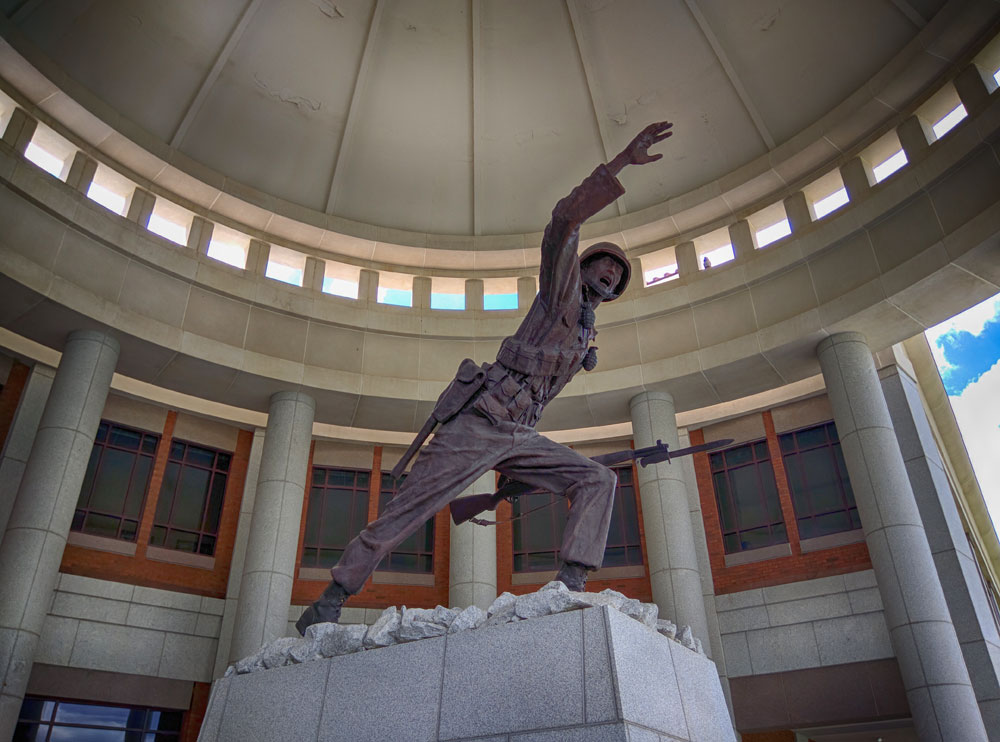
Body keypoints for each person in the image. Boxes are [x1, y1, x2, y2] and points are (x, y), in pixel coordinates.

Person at [296, 121, 674, 633]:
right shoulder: (559, 297)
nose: (610, 274)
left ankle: (570, 584)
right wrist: (621, 163)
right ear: (582, 269)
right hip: (481, 422)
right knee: (410, 509)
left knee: (597, 477)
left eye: (618, 277)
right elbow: (564, 221)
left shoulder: (585, 332)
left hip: (517, 435)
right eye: (603, 266)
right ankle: (333, 596)